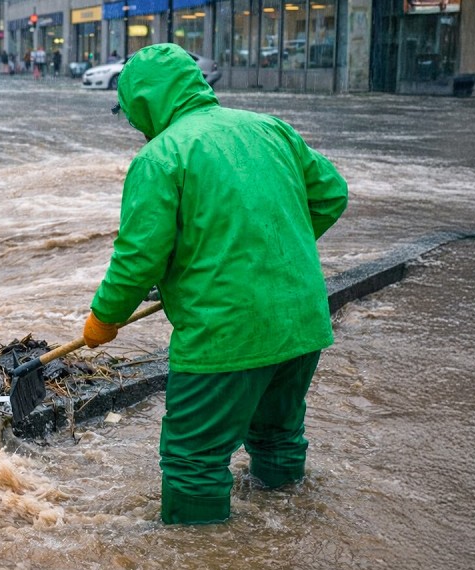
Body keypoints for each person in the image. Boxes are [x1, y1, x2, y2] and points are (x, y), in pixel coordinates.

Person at [84, 44, 348, 525]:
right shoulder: (269, 129)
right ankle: (290, 531)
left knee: (193, 461)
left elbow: (139, 259)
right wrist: (270, 253)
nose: (135, 127)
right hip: (301, 324)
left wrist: (105, 318)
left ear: (145, 102)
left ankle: (200, 559)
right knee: (278, 435)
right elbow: (331, 194)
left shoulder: (161, 157)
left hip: (225, 335)